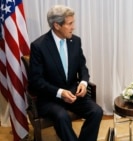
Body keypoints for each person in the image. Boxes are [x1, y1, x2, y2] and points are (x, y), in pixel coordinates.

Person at [28, 5, 103, 141]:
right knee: (62, 117)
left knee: (97, 111)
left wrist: (84, 83)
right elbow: (36, 80)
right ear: (57, 25)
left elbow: (82, 67)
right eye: (70, 24)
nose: (73, 27)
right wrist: (60, 93)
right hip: (50, 97)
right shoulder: (39, 46)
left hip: (74, 94)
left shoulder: (75, 41)